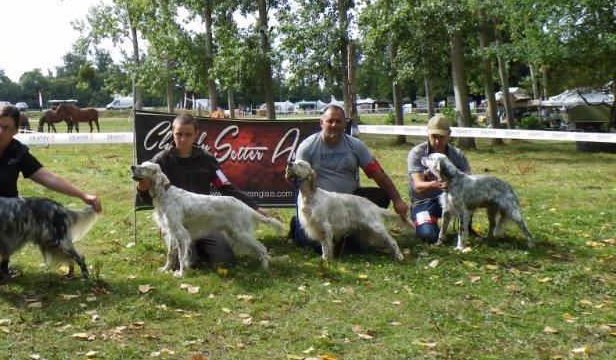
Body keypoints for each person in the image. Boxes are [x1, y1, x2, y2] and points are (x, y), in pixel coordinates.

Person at [0, 105, 102, 281]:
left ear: (15, 131)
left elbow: (48, 177)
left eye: (6, 128)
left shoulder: (18, 151)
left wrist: (83, 195)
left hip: (4, 219)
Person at [135, 113, 270, 270]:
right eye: (179, 134)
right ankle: (191, 249)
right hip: (176, 224)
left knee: (226, 260)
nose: (183, 139)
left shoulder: (208, 160)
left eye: (188, 134)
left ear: (196, 134)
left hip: (205, 222)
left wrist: (253, 206)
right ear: (172, 132)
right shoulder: (160, 160)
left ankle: (199, 245)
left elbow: (226, 187)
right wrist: (141, 190)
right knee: (187, 262)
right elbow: (146, 197)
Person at [289, 104, 408, 251]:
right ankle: (298, 225)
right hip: (319, 204)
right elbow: (296, 175)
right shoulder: (307, 146)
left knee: (381, 196)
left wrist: (397, 200)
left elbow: (377, 172)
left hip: (348, 203)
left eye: (338, 121)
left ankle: (351, 232)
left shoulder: (355, 145)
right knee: (314, 245)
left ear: (344, 124)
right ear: (321, 123)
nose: (334, 125)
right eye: (330, 121)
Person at [406, 113, 470, 243]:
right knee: (428, 236)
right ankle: (426, 222)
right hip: (423, 203)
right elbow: (418, 186)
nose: (437, 141)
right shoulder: (417, 153)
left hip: (451, 199)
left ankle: (465, 227)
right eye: (433, 136)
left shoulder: (457, 154)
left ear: (449, 135)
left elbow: (469, 180)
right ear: (427, 133)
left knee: (470, 198)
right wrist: (439, 184)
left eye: (441, 137)